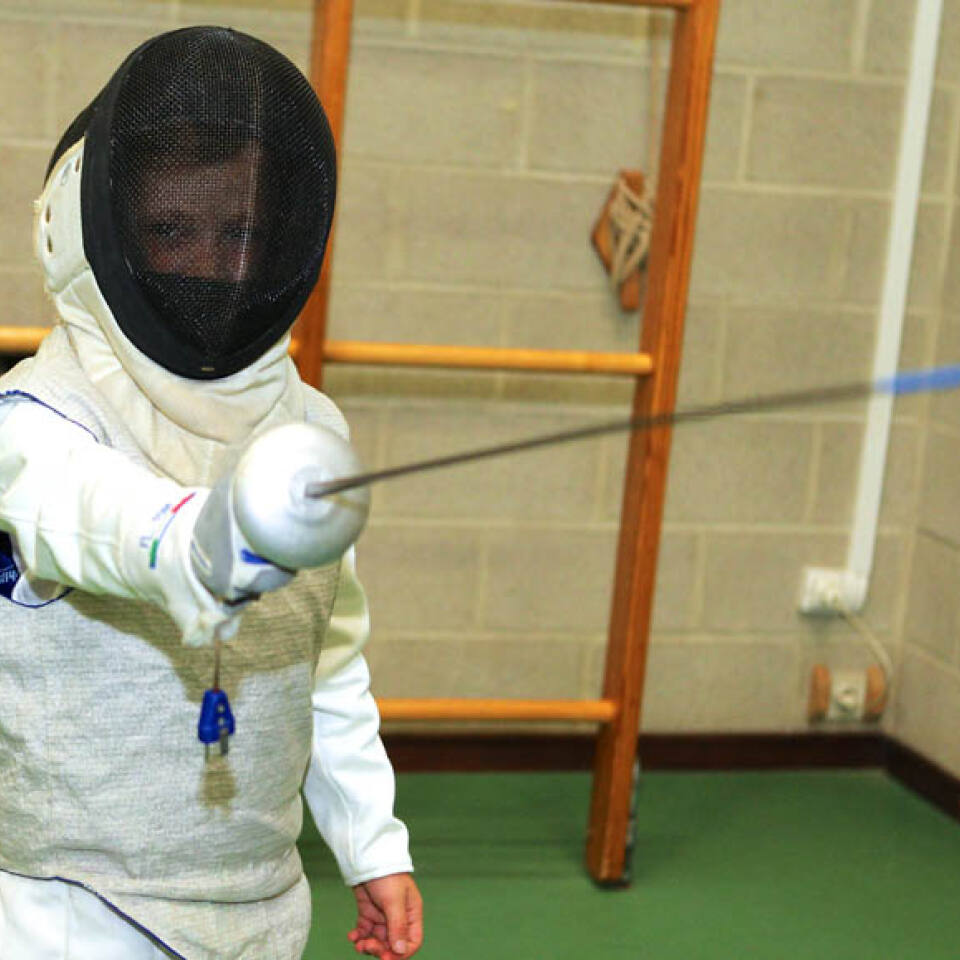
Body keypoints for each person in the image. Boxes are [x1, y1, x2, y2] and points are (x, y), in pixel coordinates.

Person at [0, 25, 423, 960]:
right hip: (69, 912)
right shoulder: (33, 421)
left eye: (241, 234)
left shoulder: (307, 433)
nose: (208, 263)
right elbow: (88, 513)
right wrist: (198, 542)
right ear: (85, 226)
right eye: (168, 230)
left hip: (260, 902)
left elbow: (327, 659)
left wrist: (369, 842)